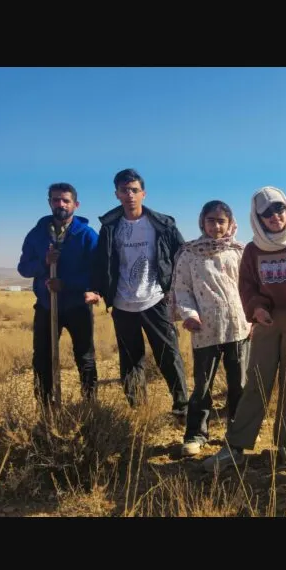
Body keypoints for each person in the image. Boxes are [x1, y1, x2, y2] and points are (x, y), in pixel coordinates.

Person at [202, 186, 286, 471]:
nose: (275, 216)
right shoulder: (253, 249)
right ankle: (236, 446)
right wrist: (257, 308)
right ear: (257, 217)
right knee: (258, 381)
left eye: (279, 209)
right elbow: (246, 285)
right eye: (267, 213)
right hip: (265, 320)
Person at [90, 168, 189, 419]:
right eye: (124, 190)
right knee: (130, 360)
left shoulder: (163, 224)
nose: (130, 195)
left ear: (143, 193)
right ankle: (139, 412)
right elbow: (103, 262)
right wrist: (98, 290)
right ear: (117, 194)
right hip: (123, 304)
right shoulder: (110, 227)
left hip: (156, 299)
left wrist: (177, 290)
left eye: (134, 190)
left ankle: (182, 408)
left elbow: (182, 256)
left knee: (169, 355)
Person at [170, 200, 252, 456]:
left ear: (229, 223)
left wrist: (252, 319)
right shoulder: (190, 253)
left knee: (238, 383)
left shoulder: (239, 251)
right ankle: (196, 434)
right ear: (202, 222)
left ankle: (237, 435)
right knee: (202, 385)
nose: (216, 226)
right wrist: (189, 314)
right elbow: (182, 289)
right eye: (211, 220)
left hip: (238, 327)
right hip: (204, 329)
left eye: (221, 221)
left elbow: (249, 288)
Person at [17, 182, 100, 407]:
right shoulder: (36, 235)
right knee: (42, 358)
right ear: (49, 203)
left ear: (76, 204)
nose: (60, 204)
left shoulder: (87, 235)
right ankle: (46, 407)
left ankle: (90, 406)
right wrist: (44, 264)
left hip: (77, 306)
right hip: (46, 305)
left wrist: (67, 285)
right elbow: (23, 268)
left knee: (85, 357)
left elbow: (98, 272)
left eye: (65, 200)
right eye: (56, 200)